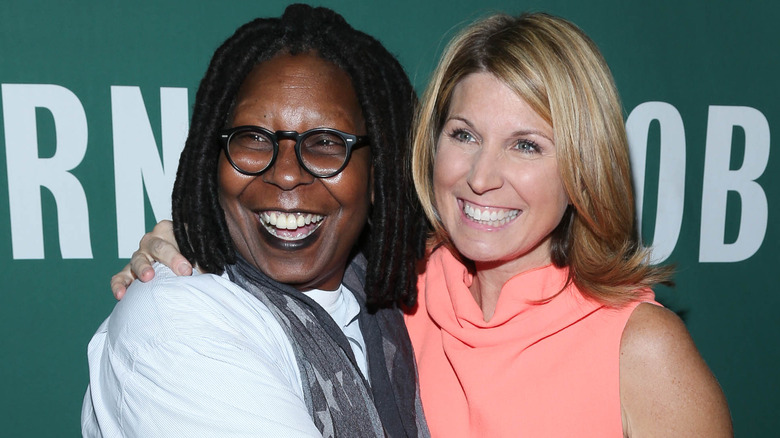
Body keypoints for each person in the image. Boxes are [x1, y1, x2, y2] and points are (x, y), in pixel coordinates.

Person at [113, 11, 733, 438]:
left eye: (526, 146)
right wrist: (183, 241)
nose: (482, 176)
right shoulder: (400, 293)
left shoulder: (640, 348)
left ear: (581, 167)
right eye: (464, 135)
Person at [82, 4, 429, 437]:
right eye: (253, 138)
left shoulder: (396, 310)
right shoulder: (174, 324)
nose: (285, 173)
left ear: (379, 175)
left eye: (325, 142)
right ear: (214, 160)